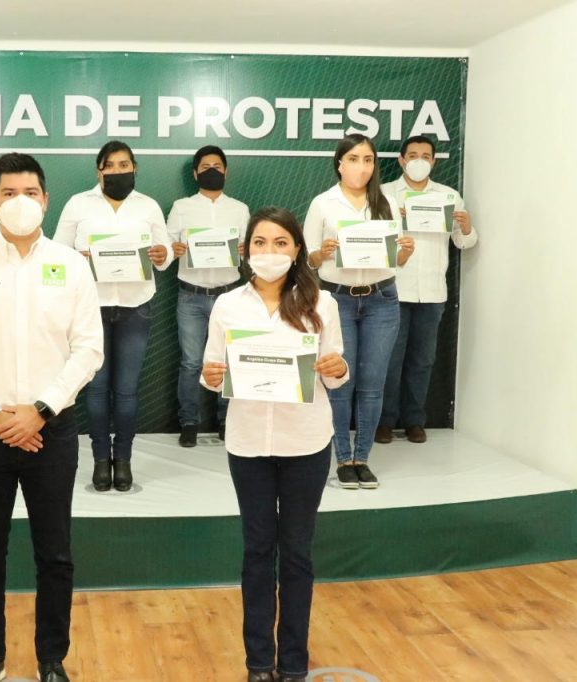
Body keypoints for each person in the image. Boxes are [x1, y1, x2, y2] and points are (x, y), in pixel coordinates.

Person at [0, 153, 104, 682]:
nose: (20, 202)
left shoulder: (73, 265)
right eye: (9, 193)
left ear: (46, 200)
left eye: (31, 192)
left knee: (55, 555)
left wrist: (41, 410)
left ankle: (52, 659)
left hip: (51, 432)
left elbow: (88, 349)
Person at [201, 207, 348, 682]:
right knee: (258, 550)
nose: (270, 252)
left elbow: (338, 372)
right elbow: (210, 370)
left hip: (305, 441)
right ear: (246, 250)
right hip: (248, 445)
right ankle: (259, 663)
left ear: (298, 250)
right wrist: (210, 376)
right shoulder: (228, 305)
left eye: (281, 243)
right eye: (260, 242)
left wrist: (336, 369)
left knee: (298, 552)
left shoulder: (321, 303)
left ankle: (293, 665)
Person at [53, 140, 172, 492]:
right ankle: (100, 461)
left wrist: (161, 252)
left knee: (127, 391)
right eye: (111, 166)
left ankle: (124, 461)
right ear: (99, 171)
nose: (118, 171)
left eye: (125, 165)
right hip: (91, 307)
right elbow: (56, 255)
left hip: (136, 305)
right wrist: (80, 256)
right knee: (96, 388)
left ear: (134, 167)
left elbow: (164, 258)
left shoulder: (148, 206)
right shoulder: (79, 203)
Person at [303, 133, 415, 490]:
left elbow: (396, 259)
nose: (362, 167)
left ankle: (361, 458)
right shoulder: (323, 203)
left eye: (368, 160)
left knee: (372, 384)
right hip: (337, 300)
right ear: (339, 163)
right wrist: (322, 252)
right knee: (339, 382)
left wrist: (406, 251)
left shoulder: (386, 202)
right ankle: (341, 458)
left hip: (381, 300)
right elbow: (308, 258)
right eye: (354, 159)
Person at [377, 135, 478, 444]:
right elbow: (369, 240)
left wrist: (465, 225)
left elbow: (465, 243)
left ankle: (414, 421)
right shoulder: (385, 195)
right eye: (413, 155)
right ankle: (384, 422)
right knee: (390, 361)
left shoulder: (449, 196)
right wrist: (394, 219)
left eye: (425, 155)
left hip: (433, 292)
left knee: (422, 360)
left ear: (434, 161)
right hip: (393, 289)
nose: (419, 160)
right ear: (401, 160)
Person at [167, 145, 249, 447]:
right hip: (191, 295)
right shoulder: (181, 206)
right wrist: (173, 249)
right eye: (205, 166)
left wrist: (244, 250)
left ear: (225, 171)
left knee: (229, 360)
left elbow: (248, 247)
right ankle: (189, 422)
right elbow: (166, 244)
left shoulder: (239, 209)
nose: (211, 170)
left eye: (217, 165)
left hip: (230, 295)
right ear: (195, 173)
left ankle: (227, 420)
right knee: (191, 362)